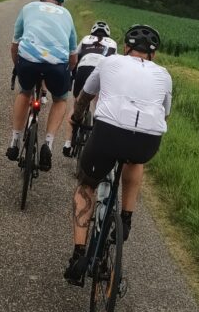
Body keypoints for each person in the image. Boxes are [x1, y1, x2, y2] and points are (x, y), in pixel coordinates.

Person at [64, 23, 172, 284]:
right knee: (135, 161)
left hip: (108, 133)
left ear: (125, 48)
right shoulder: (165, 75)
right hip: (146, 140)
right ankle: (126, 218)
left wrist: (76, 119)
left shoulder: (109, 63)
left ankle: (78, 256)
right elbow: (165, 112)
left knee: (86, 185)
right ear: (153, 55)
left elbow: (84, 97)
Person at [6, 0, 77, 171]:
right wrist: (68, 72)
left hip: (28, 60)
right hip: (57, 64)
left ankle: (14, 142)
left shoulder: (28, 7)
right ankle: (48, 143)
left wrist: (18, 67)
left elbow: (14, 46)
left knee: (25, 92)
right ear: (60, 4)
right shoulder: (67, 15)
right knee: (61, 99)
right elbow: (73, 56)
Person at [62, 21, 117, 157]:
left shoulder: (86, 39)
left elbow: (75, 57)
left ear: (93, 31)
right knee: (99, 102)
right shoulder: (113, 43)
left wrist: (71, 78)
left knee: (76, 106)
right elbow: (115, 64)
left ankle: (67, 144)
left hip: (84, 70)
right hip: (102, 72)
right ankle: (98, 131)